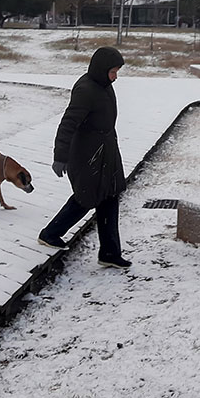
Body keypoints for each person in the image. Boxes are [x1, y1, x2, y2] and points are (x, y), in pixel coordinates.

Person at [38, 46, 132, 269]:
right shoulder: (86, 90)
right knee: (86, 197)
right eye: (113, 71)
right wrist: (60, 156)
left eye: (117, 71)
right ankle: (50, 233)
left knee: (109, 195)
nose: (115, 77)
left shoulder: (104, 85)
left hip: (106, 149)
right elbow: (68, 123)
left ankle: (109, 253)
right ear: (101, 69)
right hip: (87, 154)